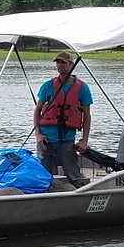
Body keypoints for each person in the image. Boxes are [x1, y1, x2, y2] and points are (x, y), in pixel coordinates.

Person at [33, 51, 93, 188]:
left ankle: (78, 192)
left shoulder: (82, 88)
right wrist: (38, 135)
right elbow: (37, 111)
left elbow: (87, 116)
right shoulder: (47, 86)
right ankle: (44, 195)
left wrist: (84, 141)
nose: (60, 65)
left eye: (63, 63)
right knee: (44, 177)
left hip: (67, 139)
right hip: (46, 140)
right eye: (58, 63)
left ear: (71, 65)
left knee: (73, 174)